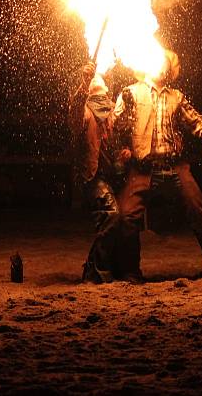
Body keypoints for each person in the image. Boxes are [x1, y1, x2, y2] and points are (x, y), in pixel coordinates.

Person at [113, 50, 202, 280]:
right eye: (158, 61)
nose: (162, 66)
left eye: (166, 64)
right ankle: (130, 271)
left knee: (199, 210)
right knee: (126, 216)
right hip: (144, 167)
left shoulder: (176, 96)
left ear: (170, 70)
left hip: (175, 166)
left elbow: (196, 121)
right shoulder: (131, 93)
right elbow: (115, 127)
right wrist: (122, 139)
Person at [69, 62, 135, 283]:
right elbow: (75, 107)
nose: (103, 97)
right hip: (93, 177)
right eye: (97, 92)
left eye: (105, 92)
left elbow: (119, 143)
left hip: (112, 176)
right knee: (111, 215)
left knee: (123, 218)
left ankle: (116, 269)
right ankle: (94, 271)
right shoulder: (85, 113)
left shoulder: (111, 115)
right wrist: (83, 83)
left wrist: (124, 153)